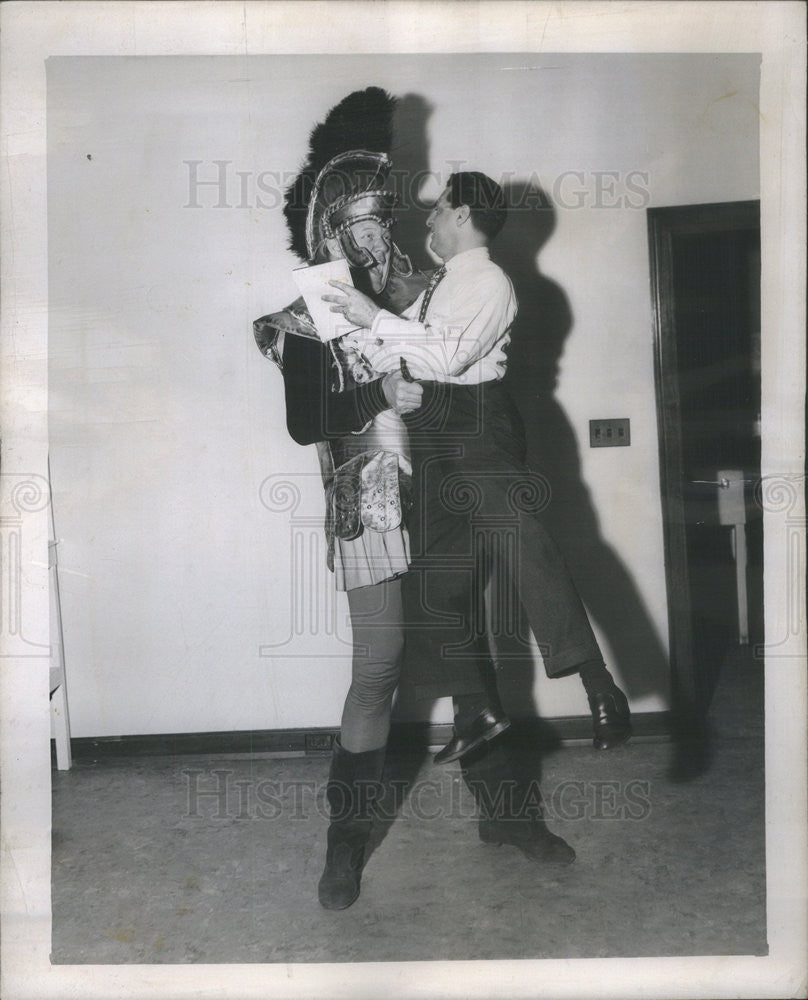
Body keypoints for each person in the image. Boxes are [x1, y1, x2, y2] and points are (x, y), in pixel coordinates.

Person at [324, 172, 632, 850]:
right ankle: (480, 720)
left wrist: (373, 320)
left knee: (525, 543)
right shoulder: (440, 284)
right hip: (437, 434)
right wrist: (380, 350)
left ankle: (598, 685)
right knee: (439, 593)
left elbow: (445, 353)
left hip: (477, 427)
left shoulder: (487, 281)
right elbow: (416, 349)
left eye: (436, 213)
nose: (427, 225)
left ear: (461, 212)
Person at [254, 88, 429, 911]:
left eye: (384, 215)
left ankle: (512, 819)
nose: (379, 231)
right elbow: (302, 423)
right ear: (330, 222)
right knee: (381, 670)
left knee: (478, 662)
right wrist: (380, 393)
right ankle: (345, 842)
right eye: (362, 217)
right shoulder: (299, 321)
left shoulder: (428, 291)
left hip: (453, 490)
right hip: (370, 499)